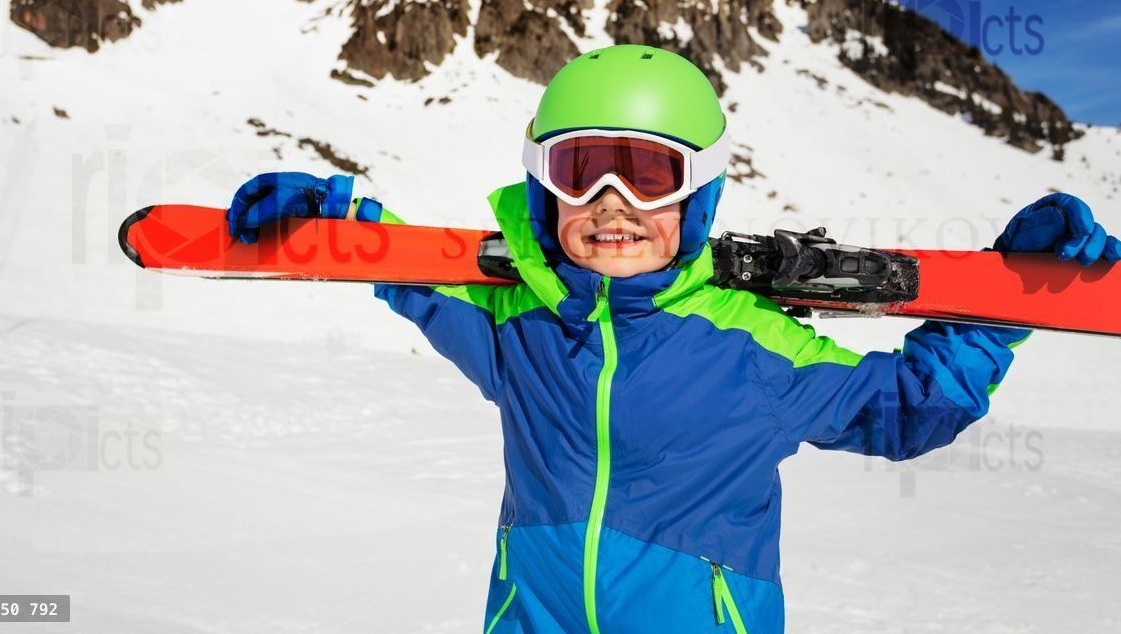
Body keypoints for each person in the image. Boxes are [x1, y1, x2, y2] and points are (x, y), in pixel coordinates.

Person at [226, 44, 1120, 634]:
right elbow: (412, 276)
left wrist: (1003, 301)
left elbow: (904, 412)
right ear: (544, 193)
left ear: (697, 199)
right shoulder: (516, 321)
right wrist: (339, 221)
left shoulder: (749, 345)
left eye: (651, 174)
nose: (614, 203)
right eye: (582, 170)